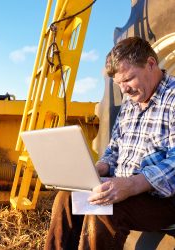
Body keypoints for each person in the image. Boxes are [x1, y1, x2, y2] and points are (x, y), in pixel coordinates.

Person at [44, 36, 175, 249]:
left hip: (163, 199)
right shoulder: (131, 102)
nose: (124, 90)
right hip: (126, 188)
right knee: (66, 198)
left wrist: (131, 185)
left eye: (129, 79)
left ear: (151, 64)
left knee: (104, 212)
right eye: (119, 84)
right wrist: (98, 169)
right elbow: (114, 149)